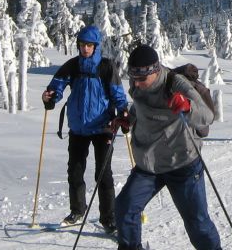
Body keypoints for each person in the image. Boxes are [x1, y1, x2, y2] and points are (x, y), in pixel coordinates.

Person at [112, 43, 221, 250]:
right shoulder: (137, 84)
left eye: (142, 78)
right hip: (149, 164)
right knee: (125, 208)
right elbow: (138, 107)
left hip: (183, 163)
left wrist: (188, 107)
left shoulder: (175, 83)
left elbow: (207, 116)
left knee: (198, 224)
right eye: (133, 78)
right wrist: (128, 119)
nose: (137, 83)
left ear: (155, 70)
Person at [42, 25, 128, 230]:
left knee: (103, 174)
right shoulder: (73, 66)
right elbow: (57, 86)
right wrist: (50, 97)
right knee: (75, 171)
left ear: (96, 46)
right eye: (82, 45)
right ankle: (77, 211)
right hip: (78, 128)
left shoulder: (106, 67)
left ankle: (109, 218)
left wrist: (123, 112)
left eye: (89, 45)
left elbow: (118, 93)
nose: (85, 49)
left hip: (103, 127)